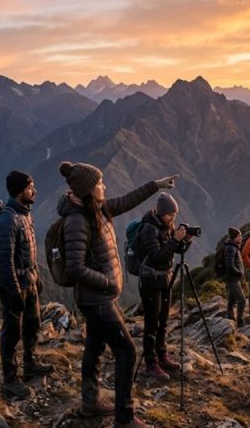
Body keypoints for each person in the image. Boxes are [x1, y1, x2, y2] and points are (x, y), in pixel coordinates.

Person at [57, 161, 177, 428]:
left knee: (95, 346)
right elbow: (75, 267)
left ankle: (90, 403)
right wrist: (108, 282)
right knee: (127, 351)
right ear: (89, 189)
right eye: (100, 183)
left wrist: (156, 185)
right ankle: (124, 418)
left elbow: (126, 200)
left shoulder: (96, 209)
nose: (105, 186)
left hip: (98, 298)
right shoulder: (77, 220)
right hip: (96, 299)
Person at [0, 171, 53, 399]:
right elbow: (4, 259)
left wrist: (37, 276)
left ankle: (30, 364)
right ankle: (10, 379)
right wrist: (12, 291)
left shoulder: (24, 214)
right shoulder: (8, 219)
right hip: (16, 284)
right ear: (20, 191)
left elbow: (28, 250)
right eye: (30, 187)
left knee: (33, 324)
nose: (35, 191)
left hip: (29, 281)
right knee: (11, 332)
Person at [136, 193, 192, 380]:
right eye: (170, 215)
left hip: (164, 279)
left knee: (163, 321)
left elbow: (175, 251)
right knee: (151, 323)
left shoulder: (168, 226)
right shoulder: (148, 229)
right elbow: (157, 256)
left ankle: (162, 355)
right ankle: (151, 363)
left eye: (174, 215)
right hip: (150, 279)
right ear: (161, 213)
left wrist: (185, 240)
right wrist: (175, 240)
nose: (173, 218)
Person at [224, 228, 245, 325]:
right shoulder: (231, 248)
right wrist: (239, 273)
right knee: (242, 300)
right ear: (235, 237)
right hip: (233, 279)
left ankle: (230, 318)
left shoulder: (234, 247)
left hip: (234, 278)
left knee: (232, 300)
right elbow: (229, 265)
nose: (241, 237)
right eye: (239, 236)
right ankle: (240, 322)